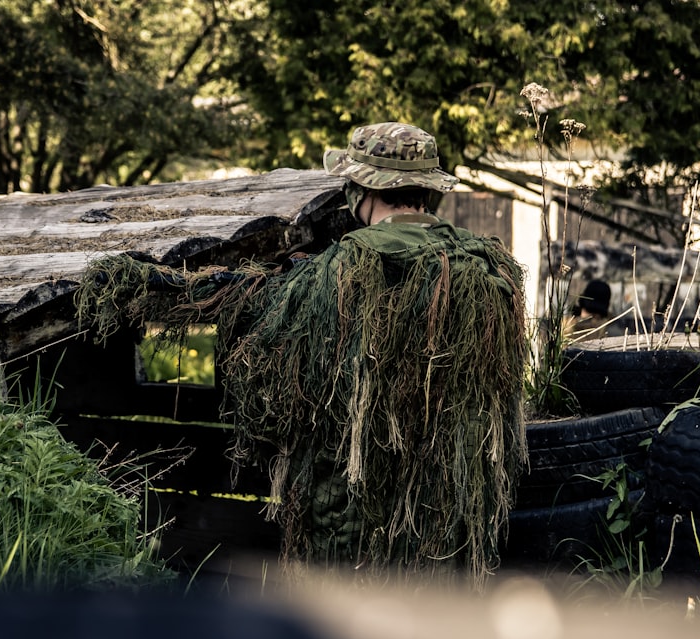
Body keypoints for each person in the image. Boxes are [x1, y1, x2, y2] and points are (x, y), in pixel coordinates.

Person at [222, 122, 528, 588]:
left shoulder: (342, 268)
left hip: (351, 514)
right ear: (426, 190)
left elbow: (282, 393)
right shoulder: (485, 267)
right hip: (449, 515)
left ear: (362, 188)